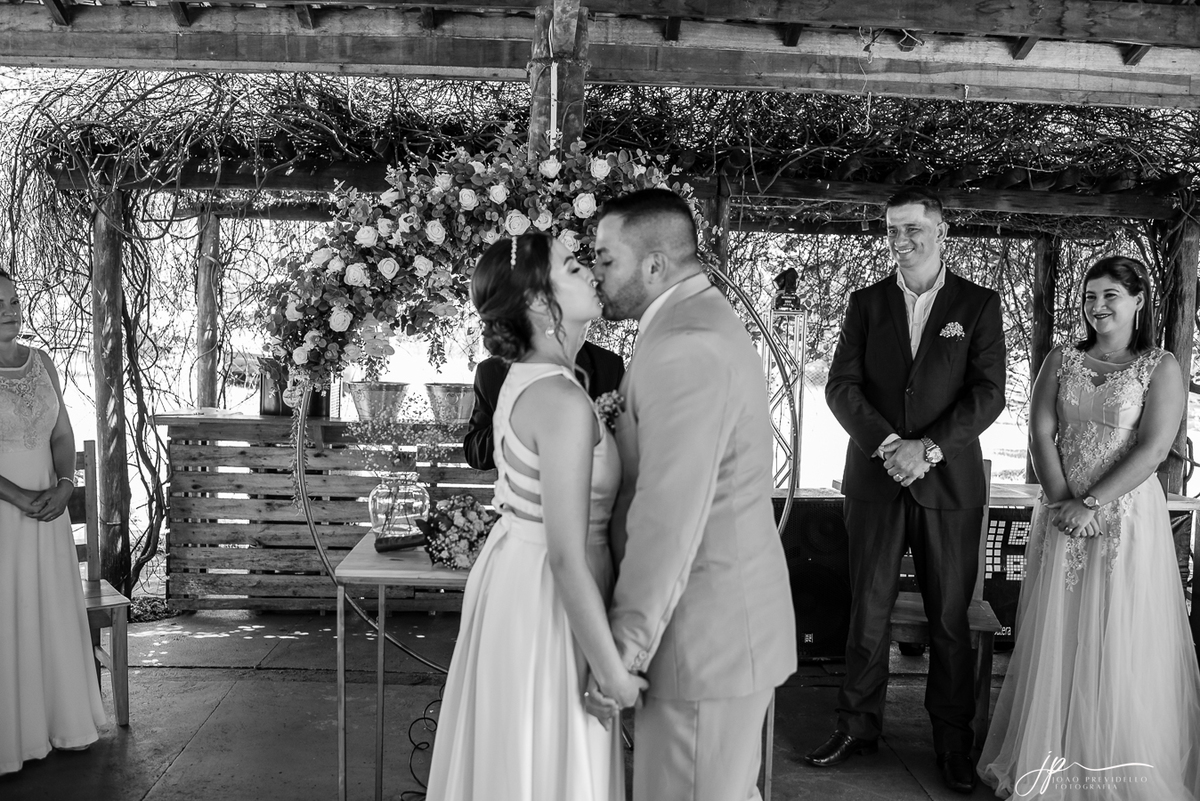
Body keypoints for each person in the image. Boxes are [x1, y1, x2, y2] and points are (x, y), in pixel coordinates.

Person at [587, 188, 797, 801]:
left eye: (606, 258)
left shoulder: (686, 345)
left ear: (654, 264)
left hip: (704, 636)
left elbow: (668, 516)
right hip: (707, 631)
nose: (596, 272)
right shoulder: (686, 323)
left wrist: (622, 651)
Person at [425, 233, 646, 801]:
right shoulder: (561, 400)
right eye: (572, 267)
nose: (590, 272)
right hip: (550, 595)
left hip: (521, 576)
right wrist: (613, 672)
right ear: (539, 304)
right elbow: (568, 555)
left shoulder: (536, 377)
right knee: (551, 757)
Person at [807, 187, 1006, 794]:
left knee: (949, 617)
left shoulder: (978, 303)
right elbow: (841, 386)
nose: (900, 239)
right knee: (866, 610)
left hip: (947, 484)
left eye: (913, 228)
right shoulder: (865, 303)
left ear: (942, 231)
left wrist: (929, 449)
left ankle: (952, 742)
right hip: (876, 479)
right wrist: (891, 445)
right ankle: (857, 727)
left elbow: (988, 393)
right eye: (892, 229)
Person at [978, 256, 1200, 799]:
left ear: (1139, 301)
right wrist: (1063, 504)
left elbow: (1153, 449)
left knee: (1119, 633)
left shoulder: (1160, 366)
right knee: (1061, 631)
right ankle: (1052, 759)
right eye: (1089, 296)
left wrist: (1093, 503)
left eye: (1110, 296)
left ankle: (1117, 767)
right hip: (1062, 516)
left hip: (1126, 518)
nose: (1097, 307)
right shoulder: (1062, 358)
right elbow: (1041, 431)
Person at [0, 269, 107, 775]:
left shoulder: (41, 361)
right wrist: (16, 494)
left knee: (46, 609)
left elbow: (62, 433)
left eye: (13, 301)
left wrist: (65, 484)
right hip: (6, 515)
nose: (9, 311)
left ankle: (61, 723)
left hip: (49, 512)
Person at [463, 341, 624, 470]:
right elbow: (474, 452)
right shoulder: (491, 371)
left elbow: (626, 443)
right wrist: (518, 419)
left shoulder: (609, 366)